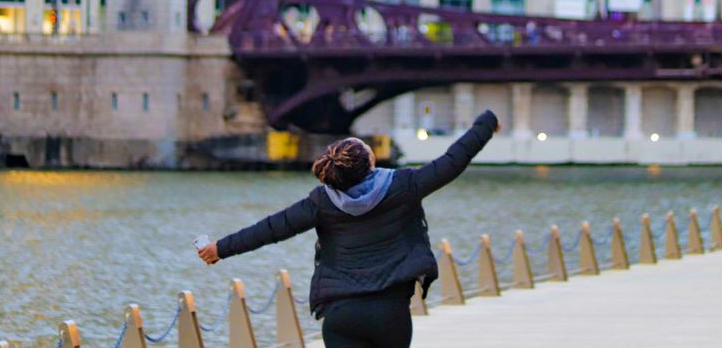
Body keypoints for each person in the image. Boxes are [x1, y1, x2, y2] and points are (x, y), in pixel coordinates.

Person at [198, 109, 500, 348]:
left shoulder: (321, 201)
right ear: (368, 161)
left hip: (341, 313)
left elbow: (271, 228)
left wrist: (220, 249)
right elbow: (454, 160)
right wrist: (486, 123)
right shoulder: (405, 185)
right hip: (390, 313)